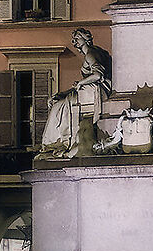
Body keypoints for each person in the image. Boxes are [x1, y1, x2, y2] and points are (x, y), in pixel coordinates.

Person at [38, 27, 113, 157]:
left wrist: (80, 83)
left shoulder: (91, 53)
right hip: (90, 90)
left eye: (77, 38)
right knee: (61, 101)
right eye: (74, 39)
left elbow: (97, 76)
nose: (74, 41)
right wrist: (63, 93)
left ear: (86, 39)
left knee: (59, 106)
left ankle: (58, 143)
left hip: (95, 91)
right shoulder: (93, 52)